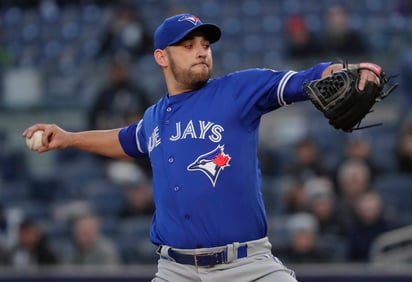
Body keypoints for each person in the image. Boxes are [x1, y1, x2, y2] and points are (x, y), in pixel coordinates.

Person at [23, 13, 383, 281]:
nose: (201, 53)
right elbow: (125, 140)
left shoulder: (238, 90)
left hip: (248, 268)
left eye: (205, 45)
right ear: (161, 57)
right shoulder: (155, 117)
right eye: (188, 45)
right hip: (174, 271)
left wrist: (347, 69)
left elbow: (303, 79)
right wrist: (68, 138)